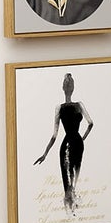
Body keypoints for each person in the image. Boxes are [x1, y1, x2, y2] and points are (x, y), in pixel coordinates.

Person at [34, 71, 91, 212]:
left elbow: (54, 136)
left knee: (68, 181)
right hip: (78, 143)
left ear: (63, 88)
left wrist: (45, 154)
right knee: (74, 179)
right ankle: (74, 210)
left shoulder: (59, 107)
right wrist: (82, 138)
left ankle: (69, 210)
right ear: (73, 88)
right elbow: (90, 124)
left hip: (66, 145)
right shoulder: (80, 105)